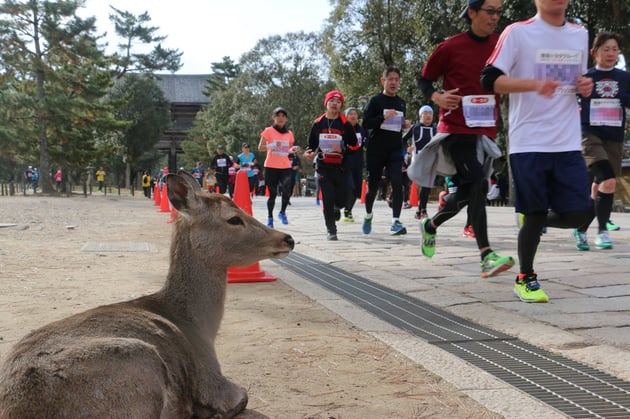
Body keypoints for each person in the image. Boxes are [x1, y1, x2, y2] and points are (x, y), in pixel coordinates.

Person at [481, 0, 594, 302]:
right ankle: (525, 277)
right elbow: (489, 79)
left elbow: (578, 82)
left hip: (567, 140)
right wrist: (532, 84)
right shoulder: (517, 32)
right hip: (529, 140)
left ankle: (533, 222)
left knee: (581, 212)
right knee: (532, 212)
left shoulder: (579, 34)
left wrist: (585, 86)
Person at [413, 0, 514, 279]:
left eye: (498, 12)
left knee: (474, 191)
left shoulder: (501, 44)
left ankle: (431, 225)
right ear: (472, 12)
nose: (495, 17)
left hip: (486, 131)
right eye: (490, 11)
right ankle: (485, 255)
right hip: (456, 129)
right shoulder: (450, 47)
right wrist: (437, 97)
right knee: (478, 185)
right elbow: (424, 80)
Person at [572, 32, 630, 251]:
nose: (611, 53)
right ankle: (603, 231)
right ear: (594, 52)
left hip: (614, 137)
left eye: (615, 49)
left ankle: (581, 228)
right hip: (589, 134)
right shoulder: (586, 77)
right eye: (606, 49)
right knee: (607, 178)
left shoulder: (625, 78)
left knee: (601, 185)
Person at [361, 66, 411, 236]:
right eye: (391, 79)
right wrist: (383, 117)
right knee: (373, 187)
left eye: (397, 79)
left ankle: (395, 222)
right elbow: (366, 123)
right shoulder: (375, 101)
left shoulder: (401, 102)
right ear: (383, 81)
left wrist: (404, 124)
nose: (394, 82)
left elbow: (399, 124)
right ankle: (368, 215)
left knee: (397, 183)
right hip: (376, 149)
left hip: (395, 149)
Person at [304, 90, 358, 240]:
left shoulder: (345, 124)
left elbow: (354, 146)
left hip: (341, 167)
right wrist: (308, 152)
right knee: (327, 198)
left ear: (341, 105)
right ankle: (331, 230)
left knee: (343, 199)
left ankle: (337, 207)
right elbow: (311, 145)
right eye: (332, 101)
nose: (335, 103)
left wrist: (342, 149)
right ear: (326, 103)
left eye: (338, 101)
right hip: (324, 167)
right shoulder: (318, 123)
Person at [258, 107, 295, 227]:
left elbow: (288, 149)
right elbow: (260, 147)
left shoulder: (289, 134)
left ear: (286, 119)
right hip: (271, 166)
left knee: (287, 189)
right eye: (278, 116)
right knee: (273, 193)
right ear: (273, 118)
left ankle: (282, 212)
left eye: (283, 116)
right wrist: (271, 145)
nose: (280, 118)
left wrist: (293, 149)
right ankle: (270, 218)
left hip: (285, 166)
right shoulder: (268, 131)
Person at [403, 105, 436, 220]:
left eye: (430, 113)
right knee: (423, 184)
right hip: (418, 158)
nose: (428, 115)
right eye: (425, 113)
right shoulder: (415, 128)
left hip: (431, 159)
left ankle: (420, 210)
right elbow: (403, 139)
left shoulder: (436, 129)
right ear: (420, 116)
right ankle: (423, 210)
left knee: (427, 186)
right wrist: (406, 149)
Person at [343, 107, 367, 222]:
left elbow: (367, 144)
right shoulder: (343, 129)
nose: (353, 116)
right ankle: (340, 208)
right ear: (346, 117)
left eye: (355, 114)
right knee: (349, 187)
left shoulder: (362, 130)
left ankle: (348, 210)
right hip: (345, 163)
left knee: (357, 190)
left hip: (358, 164)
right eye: (350, 114)